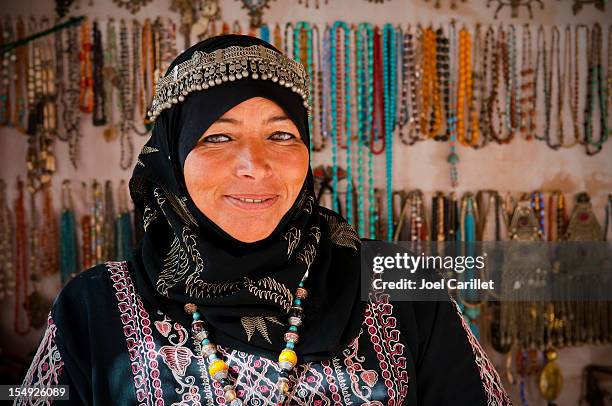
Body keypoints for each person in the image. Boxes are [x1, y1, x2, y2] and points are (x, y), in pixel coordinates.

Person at [16, 34, 511, 405]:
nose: (255, 165)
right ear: (170, 158)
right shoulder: (91, 308)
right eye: (216, 137)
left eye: (280, 136)